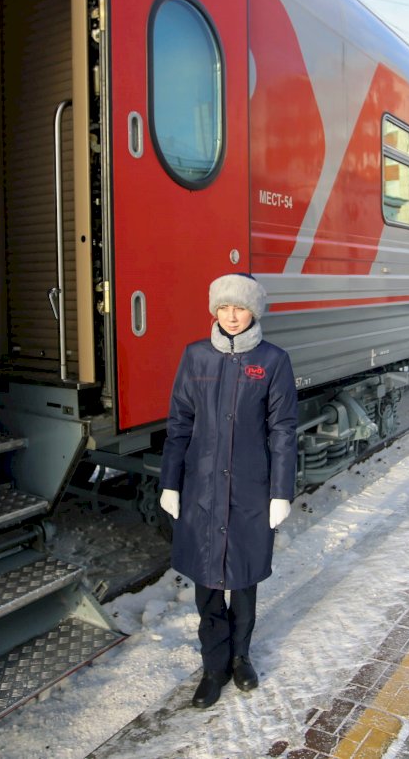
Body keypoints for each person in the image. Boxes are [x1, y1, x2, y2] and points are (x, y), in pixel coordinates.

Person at [159, 273, 298, 709]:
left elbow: (283, 430)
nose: (232, 316)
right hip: (201, 487)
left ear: (253, 311)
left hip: (250, 490)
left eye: (240, 308)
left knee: (243, 577)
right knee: (205, 579)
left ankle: (241, 657)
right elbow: (179, 423)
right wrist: (170, 482)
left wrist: (280, 491)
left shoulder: (273, 361)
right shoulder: (195, 357)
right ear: (214, 311)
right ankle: (213, 666)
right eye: (224, 308)